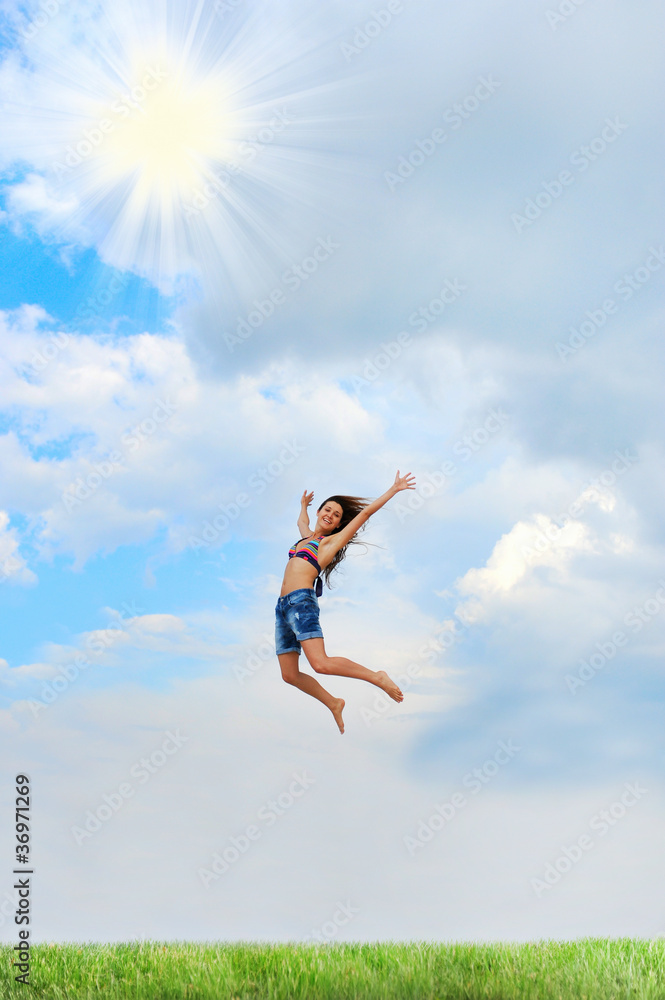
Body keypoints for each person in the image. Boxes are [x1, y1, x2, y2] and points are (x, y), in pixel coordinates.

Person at [275, 470, 417, 733]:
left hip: (301, 603)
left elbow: (364, 514)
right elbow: (301, 523)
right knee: (289, 675)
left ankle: (378, 677)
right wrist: (303, 506)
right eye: (326, 510)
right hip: (282, 608)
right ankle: (333, 702)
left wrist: (393, 490)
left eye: (336, 515)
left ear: (339, 524)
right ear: (319, 512)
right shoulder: (305, 538)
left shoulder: (330, 543)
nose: (329, 515)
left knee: (321, 664)